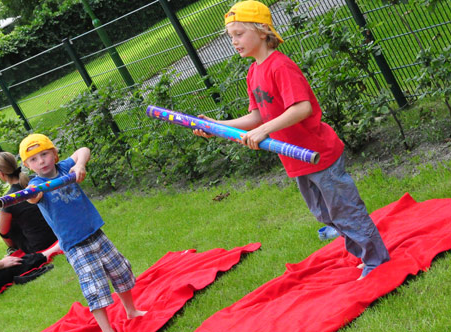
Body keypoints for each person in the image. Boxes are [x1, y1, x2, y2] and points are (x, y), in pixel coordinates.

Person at [193, 0, 390, 279]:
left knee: (345, 210)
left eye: (239, 34)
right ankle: (363, 254)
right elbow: (255, 117)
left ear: (262, 31)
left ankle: (376, 260)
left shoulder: (280, 66)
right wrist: (213, 125)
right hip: (296, 159)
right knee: (326, 215)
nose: (234, 42)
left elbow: (302, 108)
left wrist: (264, 131)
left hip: (318, 153)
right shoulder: (253, 72)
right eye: (230, 36)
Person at [19, 133, 146, 332]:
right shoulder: (35, 185)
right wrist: (34, 194)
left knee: (120, 271)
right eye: (33, 159)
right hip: (75, 245)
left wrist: (79, 165)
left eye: (44, 154)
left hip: (95, 232)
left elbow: (83, 151)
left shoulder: (63, 168)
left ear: (54, 153)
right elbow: (32, 198)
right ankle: (107, 330)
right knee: (94, 288)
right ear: (28, 165)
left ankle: (131, 310)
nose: (41, 161)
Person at [0, 151, 60, 259]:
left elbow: (3, 230)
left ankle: (13, 249)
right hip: (59, 232)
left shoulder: (9, 199)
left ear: (0, 174)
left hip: (38, 246)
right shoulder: (38, 180)